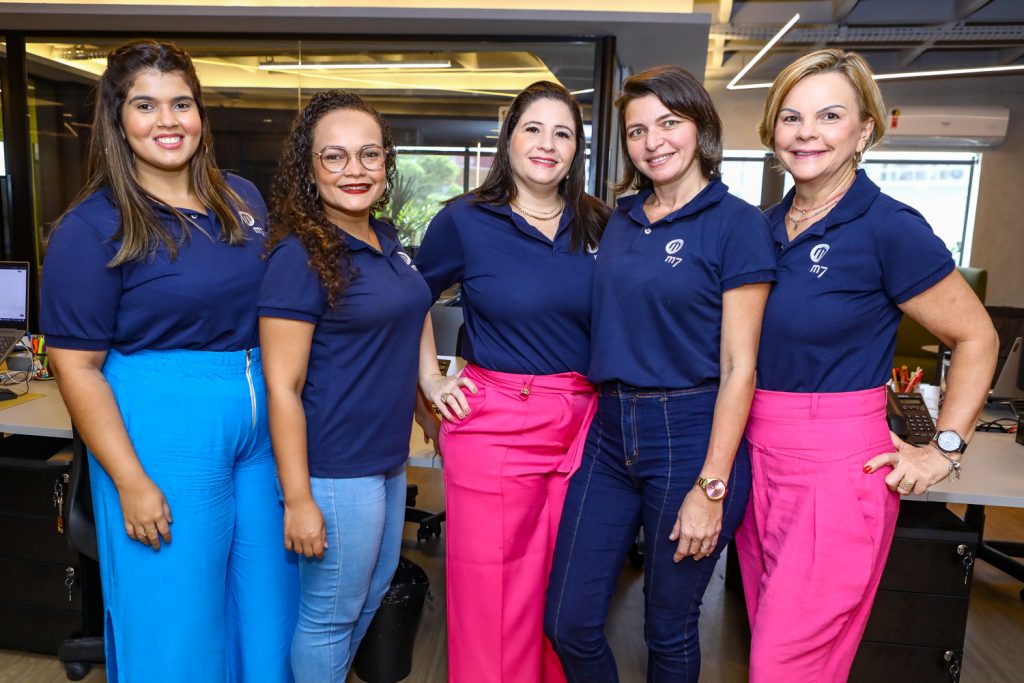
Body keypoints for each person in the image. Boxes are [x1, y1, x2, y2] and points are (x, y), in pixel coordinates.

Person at [733, 48, 999, 682]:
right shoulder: (758, 228)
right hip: (752, 458)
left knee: (781, 665)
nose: (808, 132)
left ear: (864, 130)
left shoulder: (889, 228)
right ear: (772, 131)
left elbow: (977, 337)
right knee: (767, 642)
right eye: (792, 117)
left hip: (833, 468)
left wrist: (944, 448)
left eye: (830, 115)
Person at [39, 39, 297, 682]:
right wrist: (130, 481)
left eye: (181, 103)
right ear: (117, 118)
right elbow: (76, 367)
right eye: (145, 105)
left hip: (258, 417)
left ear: (200, 113)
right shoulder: (91, 228)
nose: (167, 120)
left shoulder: (241, 198)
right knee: (176, 625)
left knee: (269, 615)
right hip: (164, 426)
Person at [544, 65, 775, 682]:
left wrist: (711, 486)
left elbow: (740, 367)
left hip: (691, 433)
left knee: (667, 629)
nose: (653, 142)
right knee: (567, 620)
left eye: (668, 123)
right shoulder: (620, 220)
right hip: (609, 431)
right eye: (637, 130)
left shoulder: (737, 223)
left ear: (701, 127)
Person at [414, 80, 610, 683]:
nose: (547, 144)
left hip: (586, 426)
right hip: (495, 422)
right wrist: (430, 381)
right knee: (492, 600)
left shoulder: (601, 223)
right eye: (534, 129)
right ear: (509, 140)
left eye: (562, 134)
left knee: (562, 596)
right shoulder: (465, 220)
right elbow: (407, 298)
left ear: (576, 150)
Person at [258, 90, 455, 682]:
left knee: (369, 595)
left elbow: (414, 308)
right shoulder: (300, 257)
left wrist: (427, 386)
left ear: (386, 163)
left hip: (387, 459)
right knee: (331, 615)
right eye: (335, 156)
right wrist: (299, 500)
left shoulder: (384, 239)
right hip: (335, 465)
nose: (355, 169)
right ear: (309, 167)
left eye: (369, 154)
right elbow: (282, 387)